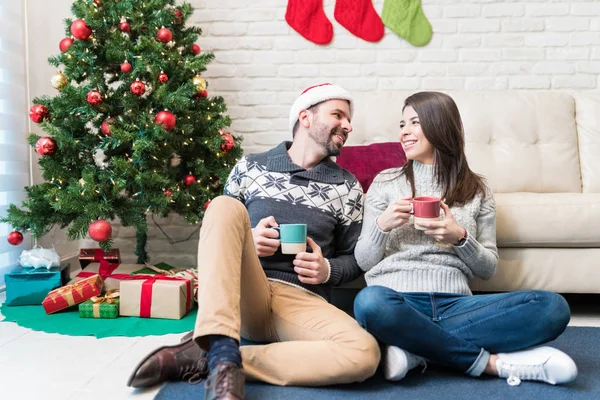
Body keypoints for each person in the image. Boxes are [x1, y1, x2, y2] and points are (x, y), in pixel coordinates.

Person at [127, 83, 380, 399]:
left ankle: (218, 359)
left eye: (348, 118)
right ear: (306, 117)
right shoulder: (251, 167)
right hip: (247, 292)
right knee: (223, 205)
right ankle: (222, 349)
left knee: (365, 353)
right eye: (338, 115)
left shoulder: (347, 186)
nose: (348, 125)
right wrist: (249, 238)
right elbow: (218, 235)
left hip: (303, 301)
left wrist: (326, 269)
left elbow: (355, 257)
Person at [353, 91, 578, 387]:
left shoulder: (478, 188)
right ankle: (489, 364)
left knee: (553, 307)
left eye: (414, 123)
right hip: (398, 301)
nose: (404, 132)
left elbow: (487, 269)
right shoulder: (385, 183)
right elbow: (364, 261)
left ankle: (416, 350)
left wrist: (460, 237)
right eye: (402, 124)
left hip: (456, 306)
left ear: (439, 126)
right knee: (369, 303)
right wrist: (381, 225)